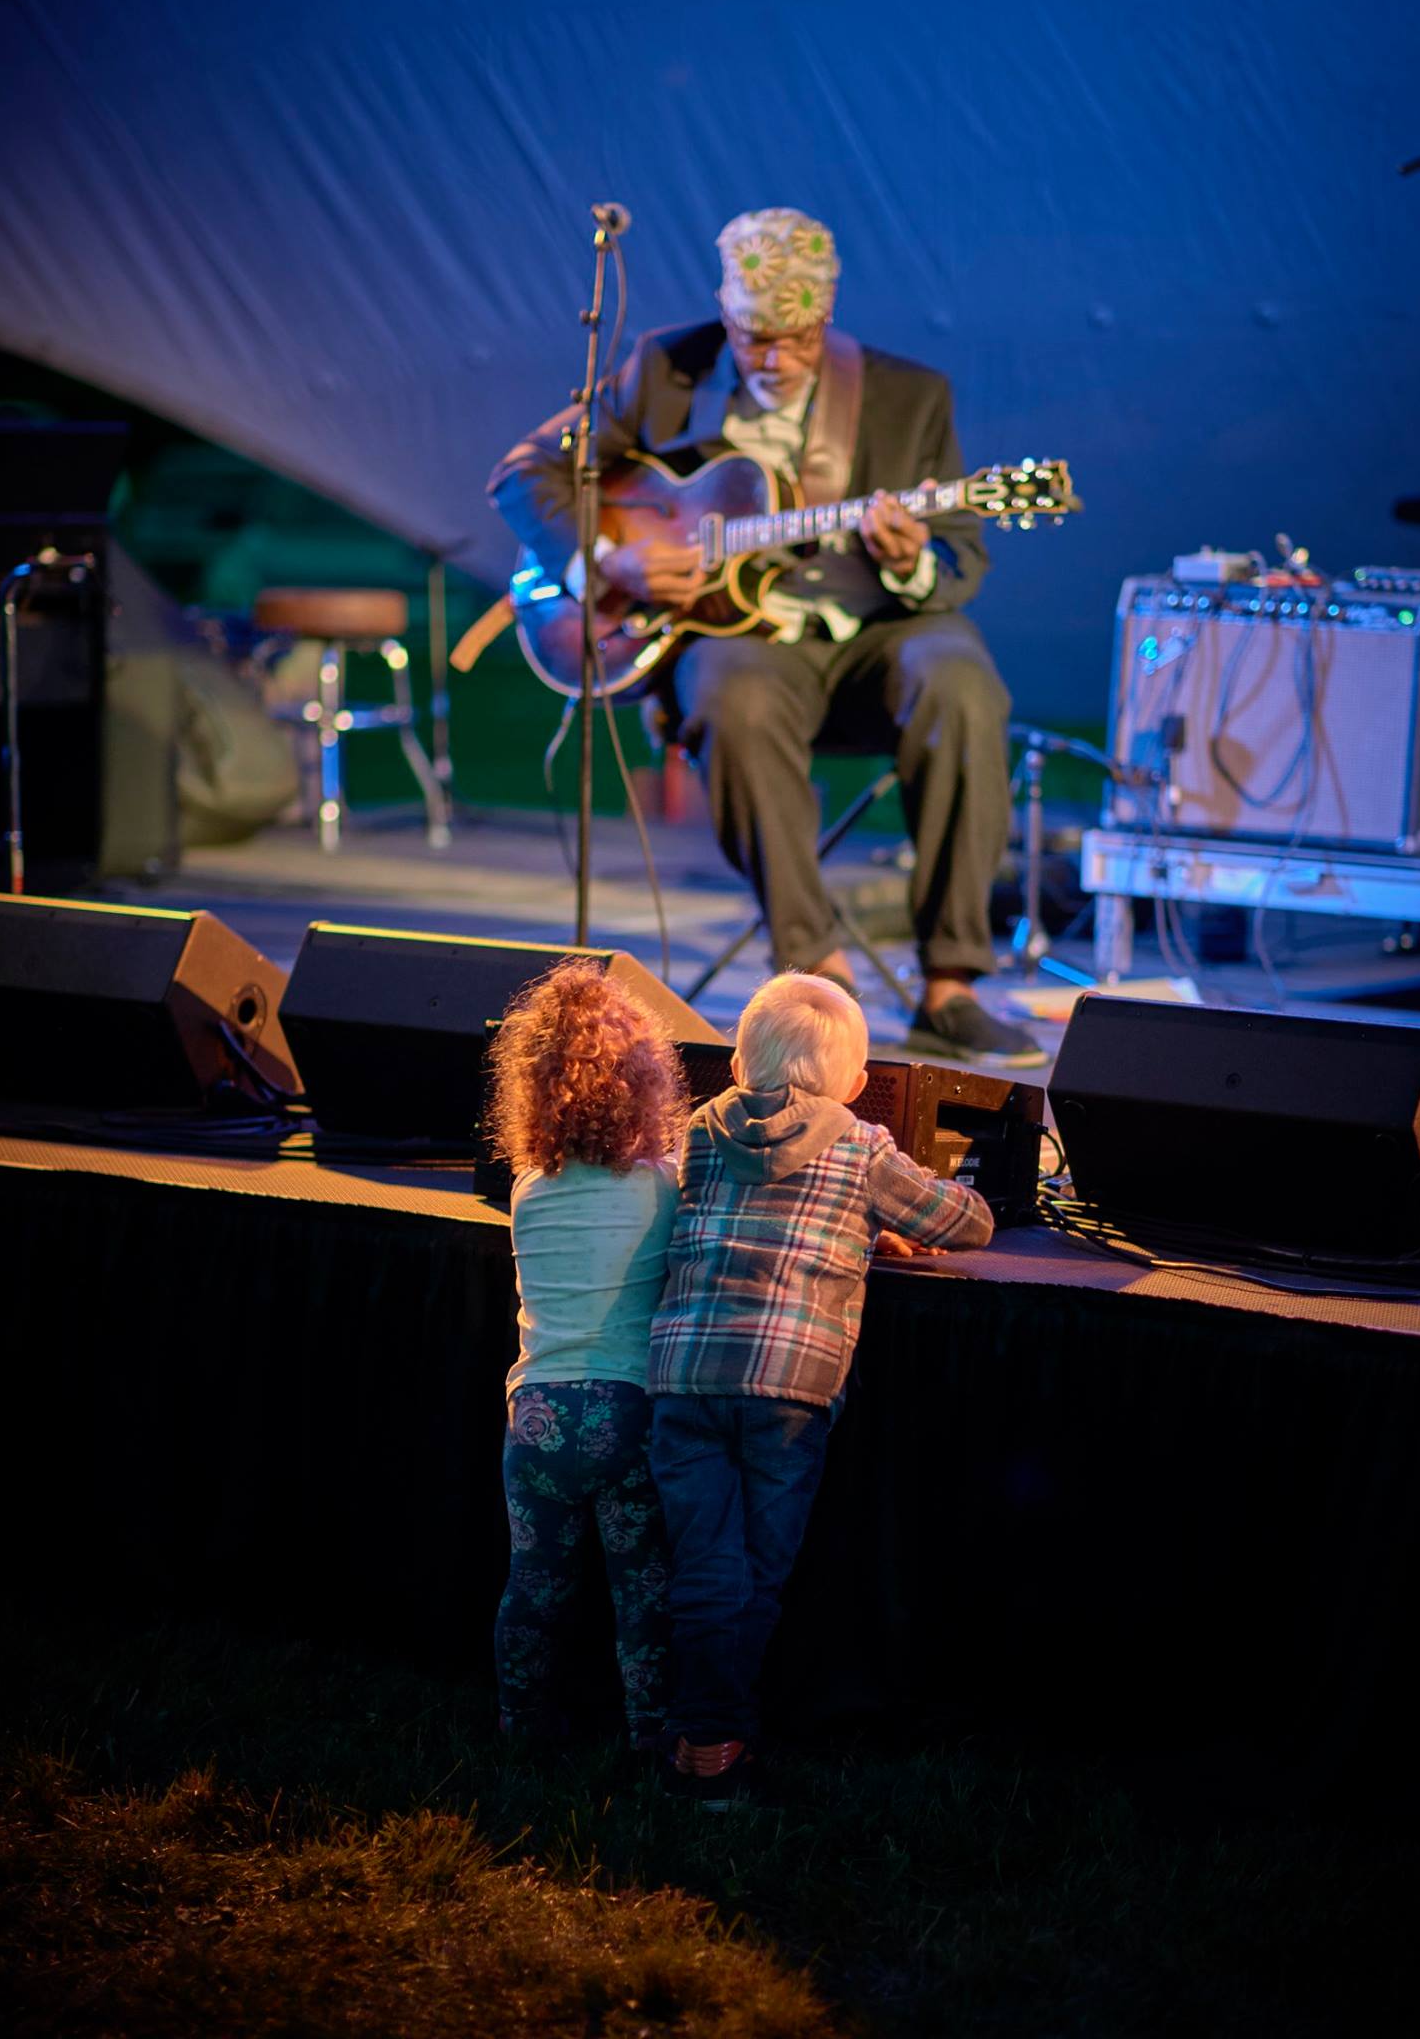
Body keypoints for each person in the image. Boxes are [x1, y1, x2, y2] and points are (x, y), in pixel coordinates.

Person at [489, 205, 1045, 1070]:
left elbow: (959, 558)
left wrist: (909, 562)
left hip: (872, 637)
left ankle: (952, 988)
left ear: (826, 317)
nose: (773, 359)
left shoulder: (907, 395)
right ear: (726, 314)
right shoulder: (667, 368)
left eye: (795, 337)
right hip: (736, 642)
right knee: (732, 692)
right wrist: (608, 563)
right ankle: (817, 975)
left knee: (963, 681)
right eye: (753, 338)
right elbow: (526, 473)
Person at [646, 972, 994, 1803]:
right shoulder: (861, 1143)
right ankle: (719, 1747)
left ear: (738, 1064)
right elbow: (965, 1223)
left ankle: (701, 1736)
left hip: (684, 1380)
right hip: (788, 1393)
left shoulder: (697, 1131)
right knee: (758, 1572)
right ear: (858, 1082)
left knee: (702, 1567)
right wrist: (874, 1222)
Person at [487, 959, 685, 1749]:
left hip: (534, 1413)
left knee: (533, 1586)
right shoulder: (664, 1186)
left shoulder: (529, 1185)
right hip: (624, 1409)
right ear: (646, 1080)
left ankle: (520, 1729)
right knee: (642, 1589)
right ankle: (650, 1737)